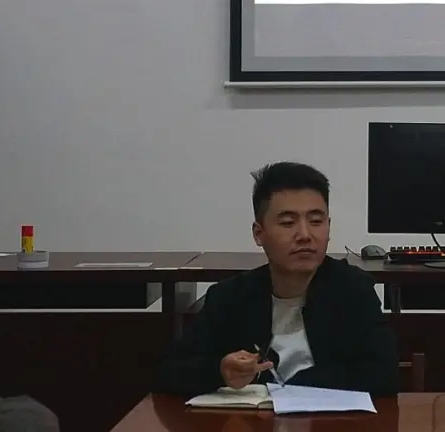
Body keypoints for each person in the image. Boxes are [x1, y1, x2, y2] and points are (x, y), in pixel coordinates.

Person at [155, 162, 400, 398]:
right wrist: (219, 371)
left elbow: (384, 375)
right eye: (288, 223)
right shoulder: (229, 297)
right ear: (258, 233)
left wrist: (290, 387)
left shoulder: (354, 291)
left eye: (316, 221)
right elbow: (169, 372)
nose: (304, 235)